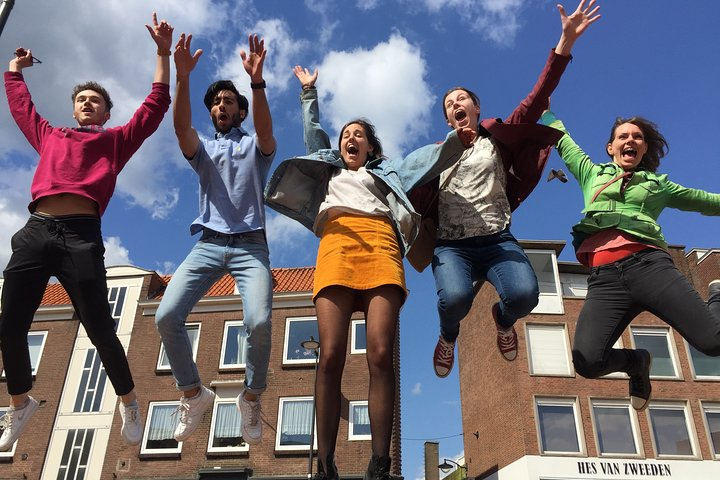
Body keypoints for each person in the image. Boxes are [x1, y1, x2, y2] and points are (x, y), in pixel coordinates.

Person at [264, 67, 471, 480]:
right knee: (331, 355)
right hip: (337, 247)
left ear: (371, 146)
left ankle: (380, 462)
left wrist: (456, 137)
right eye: (346, 135)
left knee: (379, 353)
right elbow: (313, 135)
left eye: (359, 134)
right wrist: (309, 92)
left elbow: (425, 159)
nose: (350, 138)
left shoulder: (388, 173)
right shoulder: (329, 169)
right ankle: (325, 462)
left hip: (381, 248)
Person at [0, 13, 173, 451]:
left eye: (96, 100)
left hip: (80, 234)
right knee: (9, 326)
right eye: (82, 99)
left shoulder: (114, 141)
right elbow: (22, 108)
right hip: (37, 230)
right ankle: (20, 403)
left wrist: (162, 53)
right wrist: (15, 70)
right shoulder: (50, 134)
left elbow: (154, 108)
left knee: (99, 326)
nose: (88, 103)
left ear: (106, 112)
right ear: (74, 108)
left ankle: (129, 401)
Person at [422, 0, 601, 379]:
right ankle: (447, 336)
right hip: (452, 246)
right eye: (449, 104)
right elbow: (401, 183)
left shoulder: (497, 137)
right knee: (453, 300)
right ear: (447, 119)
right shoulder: (435, 155)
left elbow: (537, 99)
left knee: (524, 296)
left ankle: (503, 322)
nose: (456, 104)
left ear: (475, 107)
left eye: (461, 99)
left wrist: (564, 42)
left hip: (497, 239)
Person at [540, 110, 720, 410]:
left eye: (637, 137)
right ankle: (637, 362)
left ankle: (716, 296)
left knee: (714, 342)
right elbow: (562, 139)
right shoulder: (591, 173)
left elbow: (705, 201)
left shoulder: (658, 185)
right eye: (623, 136)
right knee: (587, 361)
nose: (630, 140)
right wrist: (544, 110)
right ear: (611, 147)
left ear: (644, 149)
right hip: (605, 279)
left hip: (650, 267)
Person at [153, 33, 275, 444]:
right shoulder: (203, 149)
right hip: (207, 243)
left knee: (258, 322)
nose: (220, 106)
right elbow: (181, 127)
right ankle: (193, 392)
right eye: (215, 103)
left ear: (239, 110)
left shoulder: (256, 147)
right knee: (166, 316)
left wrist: (256, 84)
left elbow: (265, 128)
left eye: (228, 101)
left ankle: (252, 396)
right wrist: (182, 78)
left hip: (251, 247)